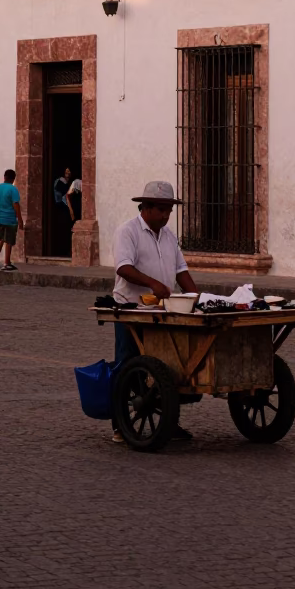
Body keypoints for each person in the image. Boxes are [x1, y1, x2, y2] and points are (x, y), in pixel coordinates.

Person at [111, 180, 198, 443]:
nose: (166, 215)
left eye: (169, 210)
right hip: (130, 308)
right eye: (162, 209)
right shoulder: (128, 231)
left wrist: (197, 297)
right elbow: (123, 267)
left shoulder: (169, 236)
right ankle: (120, 425)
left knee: (168, 367)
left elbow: (181, 271)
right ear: (146, 207)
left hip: (162, 311)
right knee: (128, 364)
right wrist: (152, 282)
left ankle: (169, 422)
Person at [0, 168, 24, 271]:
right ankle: (7, 263)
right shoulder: (13, 190)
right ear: (13, 179)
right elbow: (16, 205)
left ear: (4, 177)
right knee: (9, 240)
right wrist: (20, 220)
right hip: (10, 219)